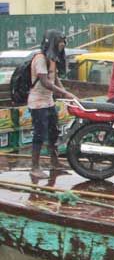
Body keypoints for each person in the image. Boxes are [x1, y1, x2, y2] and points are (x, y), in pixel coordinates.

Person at [27, 30, 77, 178]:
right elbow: (45, 81)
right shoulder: (40, 59)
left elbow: (54, 79)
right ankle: (34, 167)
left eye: (63, 42)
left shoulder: (52, 59)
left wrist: (65, 91)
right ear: (52, 43)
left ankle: (54, 162)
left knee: (53, 132)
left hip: (48, 102)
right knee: (39, 134)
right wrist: (64, 93)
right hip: (37, 103)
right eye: (60, 42)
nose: (62, 45)